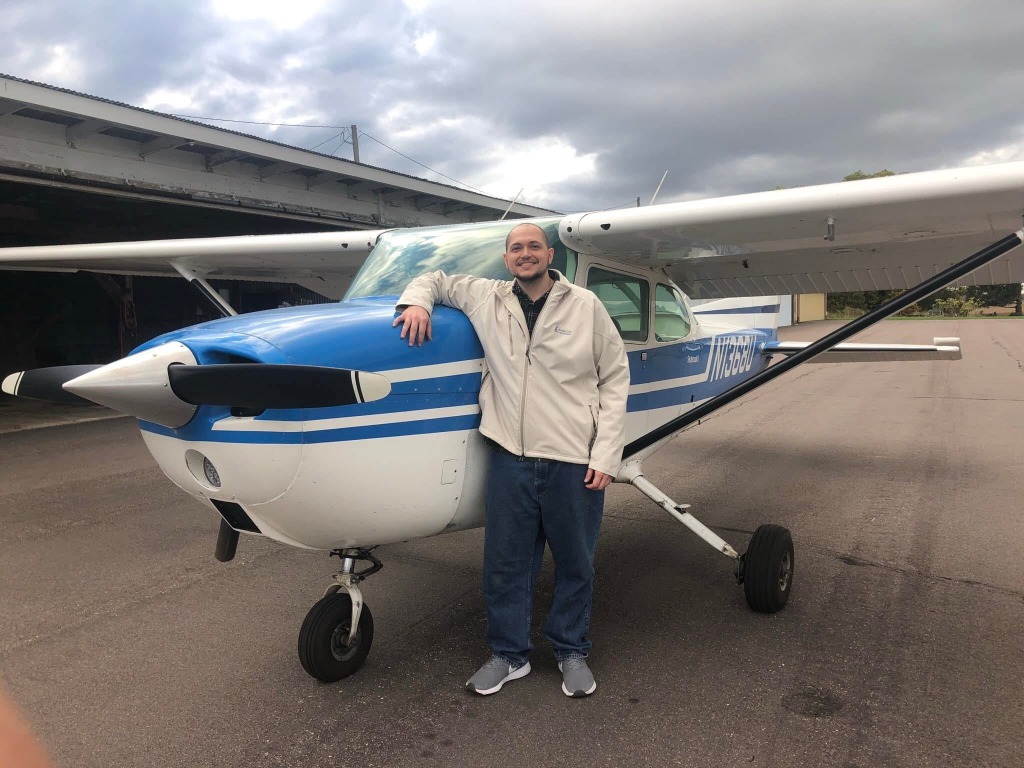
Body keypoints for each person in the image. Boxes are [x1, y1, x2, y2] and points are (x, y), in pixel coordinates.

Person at [393, 222, 630, 697]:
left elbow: (615, 377)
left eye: (534, 247)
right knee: (505, 563)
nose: (526, 254)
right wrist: (416, 301)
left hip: (572, 458)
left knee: (575, 562)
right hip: (510, 457)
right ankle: (508, 654)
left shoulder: (586, 306)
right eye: (516, 248)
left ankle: (571, 650)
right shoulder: (487, 297)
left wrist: (606, 454)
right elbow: (436, 279)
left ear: (549, 255)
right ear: (506, 259)